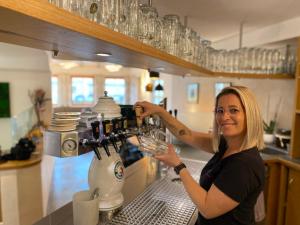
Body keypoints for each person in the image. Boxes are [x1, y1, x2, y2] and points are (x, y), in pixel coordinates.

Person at [135, 86, 265, 225]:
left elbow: (207, 208)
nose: (224, 116)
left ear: (249, 114)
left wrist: (178, 165)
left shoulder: (244, 166)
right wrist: (159, 111)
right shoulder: (226, 144)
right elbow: (187, 135)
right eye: (220, 110)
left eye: (233, 110)